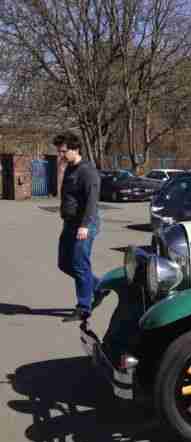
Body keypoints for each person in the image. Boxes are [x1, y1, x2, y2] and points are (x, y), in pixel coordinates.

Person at [53, 132, 101, 322]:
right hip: (70, 223)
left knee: (80, 265)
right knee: (64, 263)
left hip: (84, 225)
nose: (60, 155)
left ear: (75, 149)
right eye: (59, 152)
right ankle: (99, 286)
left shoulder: (87, 171)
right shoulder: (70, 168)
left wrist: (85, 226)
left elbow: (92, 201)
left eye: (63, 152)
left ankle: (83, 307)